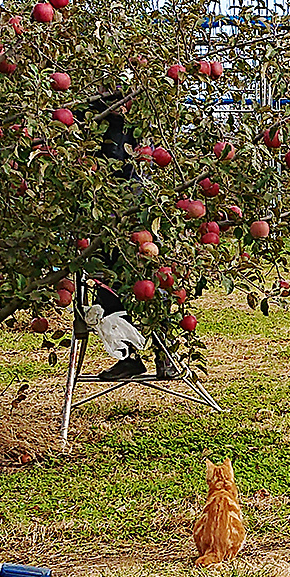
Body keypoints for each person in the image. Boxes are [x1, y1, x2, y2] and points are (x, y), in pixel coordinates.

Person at [79, 92, 178, 381]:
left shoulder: (118, 128)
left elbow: (120, 167)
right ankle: (135, 356)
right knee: (112, 285)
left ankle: (160, 354)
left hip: (127, 209)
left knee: (141, 281)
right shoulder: (102, 119)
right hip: (113, 210)